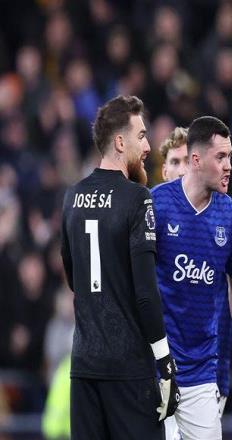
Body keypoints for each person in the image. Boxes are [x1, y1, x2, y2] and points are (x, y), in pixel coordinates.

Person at [60, 95, 179, 440]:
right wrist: (165, 362)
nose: (148, 147)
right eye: (141, 136)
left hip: (84, 366)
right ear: (120, 142)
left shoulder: (72, 197)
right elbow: (146, 294)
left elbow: (73, 279)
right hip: (128, 370)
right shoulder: (137, 198)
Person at [152, 115, 232, 440]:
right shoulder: (157, 204)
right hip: (156, 366)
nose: (228, 166)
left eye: (230, 156)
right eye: (220, 157)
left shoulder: (230, 214)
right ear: (196, 160)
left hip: (202, 370)